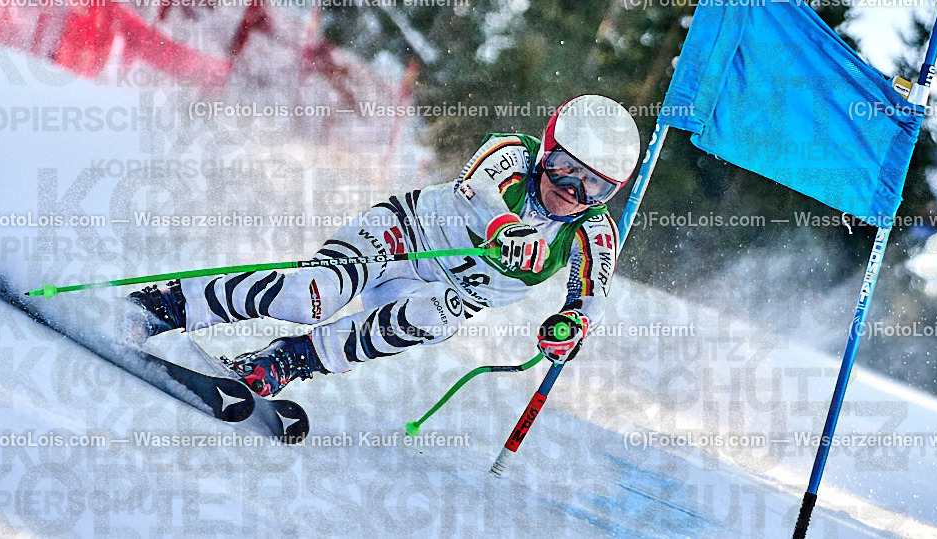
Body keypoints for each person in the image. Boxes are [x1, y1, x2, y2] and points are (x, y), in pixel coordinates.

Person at [129, 94, 640, 398]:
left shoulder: (593, 235)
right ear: (546, 148)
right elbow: (476, 181)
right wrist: (505, 228)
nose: (571, 191)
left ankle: (289, 359)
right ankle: (169, 305)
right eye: (563, 168)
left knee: (438, 315)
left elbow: (587, 306)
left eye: (593, 186)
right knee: (312, 296)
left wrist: (566, 330)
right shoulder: (512, 154)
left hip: (439, 292)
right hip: (400, 238)